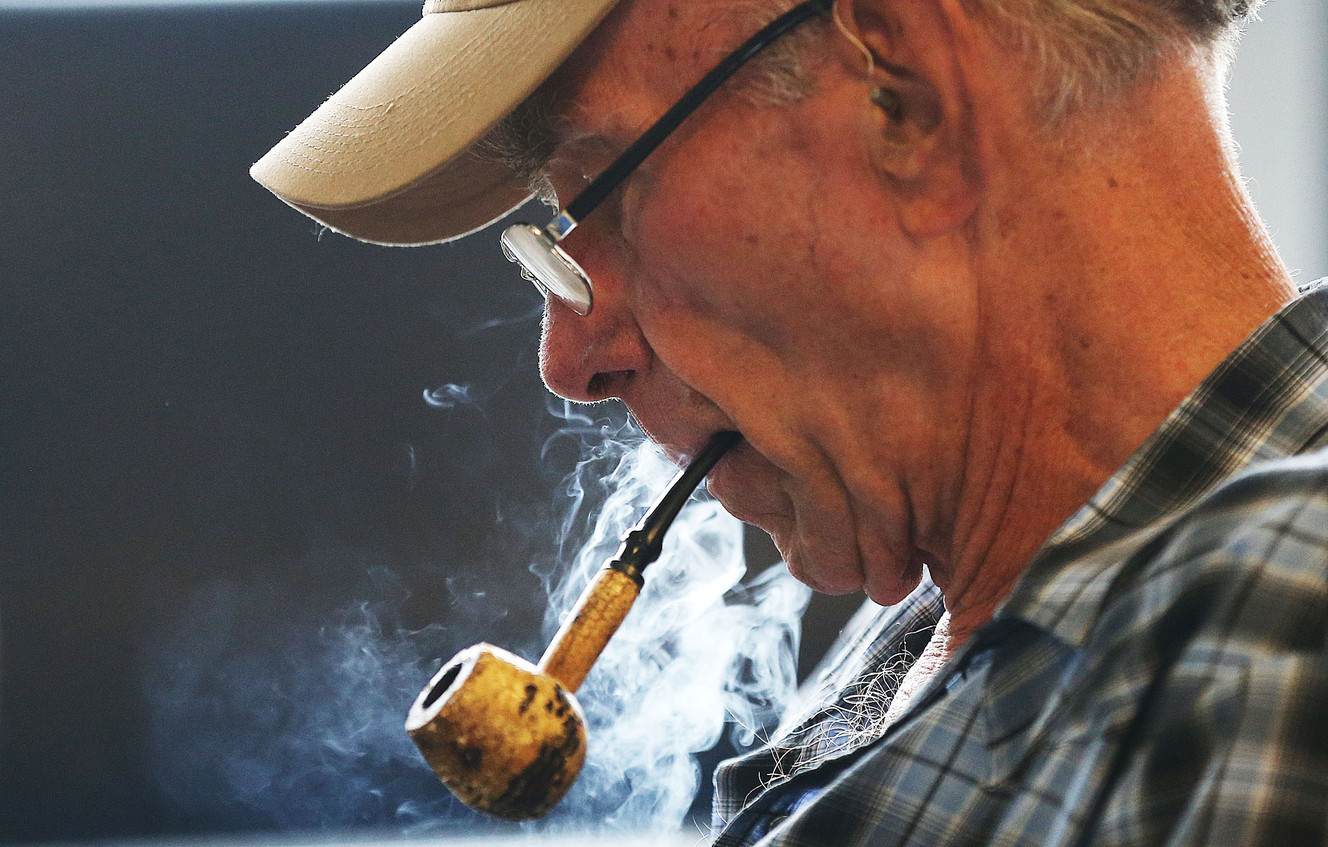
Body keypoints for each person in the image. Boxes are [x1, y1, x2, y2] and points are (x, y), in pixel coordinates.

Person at [252, 0, 1328, 843]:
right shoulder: (941, 639)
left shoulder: (1280, 622)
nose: (570, 361)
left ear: (903, 89)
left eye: (597, 192)